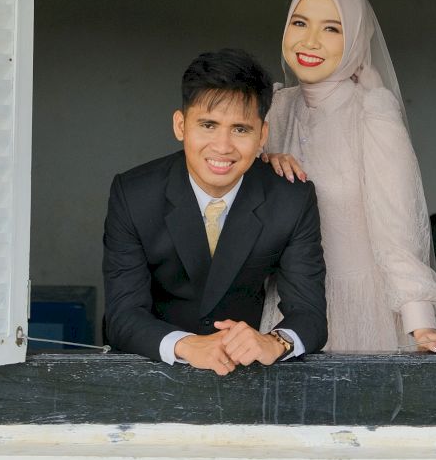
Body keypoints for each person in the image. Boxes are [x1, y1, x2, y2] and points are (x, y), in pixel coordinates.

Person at [264, 0, 436, 362]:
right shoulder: (276, 109)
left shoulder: (372, 112)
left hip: (361, 308)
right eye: (300, 23)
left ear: (357, 40)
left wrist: (421, 323)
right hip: (286, 309)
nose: (310, 41)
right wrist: (262, 164)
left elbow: (397, 222)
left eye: (332, 29)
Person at [102, 47, 328, 372]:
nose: (223, 147)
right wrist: (185, 345)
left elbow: (310, 314)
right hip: (150, 370)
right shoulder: (134, 194)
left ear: (262, 135)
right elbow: (123, 315)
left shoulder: (291, 199)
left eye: (240, 129)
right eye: (208, 125)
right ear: (180, 125)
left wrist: (275, 342)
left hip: (247, 374)